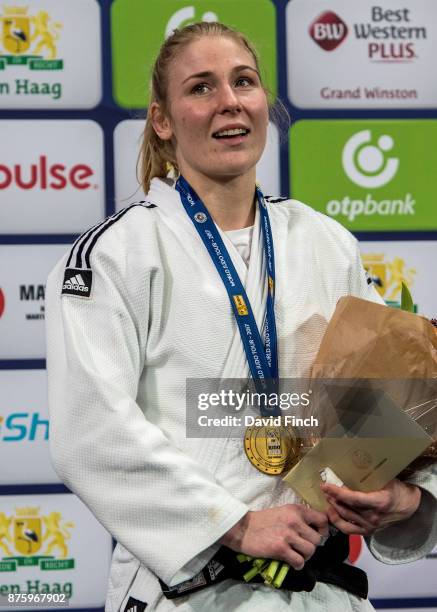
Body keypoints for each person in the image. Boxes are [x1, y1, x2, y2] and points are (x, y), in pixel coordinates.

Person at [45, 21, 437, 612]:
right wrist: (232, 523)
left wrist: (404, 499)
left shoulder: (325, 243)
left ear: (263, 103)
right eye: (201, 88)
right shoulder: (115, 255)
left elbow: (380, 401)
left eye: (243, 82)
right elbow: (91, 432)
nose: (229, 101)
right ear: (162, 120)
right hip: (190, 592)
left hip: (323, 591)